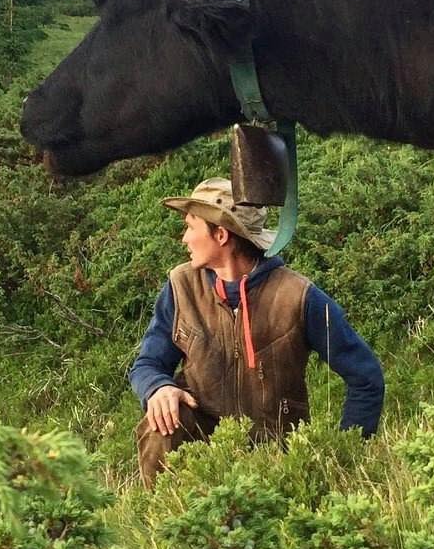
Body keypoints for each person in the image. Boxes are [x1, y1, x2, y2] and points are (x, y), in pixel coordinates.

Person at [130, 177, 383, 486]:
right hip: (202, 451)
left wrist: (347, 456)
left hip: (278, 455)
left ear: (221, 234)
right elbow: (147, 364)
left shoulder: (297, 295)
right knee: (162, 422)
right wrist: (158, 388)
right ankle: (166, 512)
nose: (184, 239)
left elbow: (366, 377)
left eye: (191, 227)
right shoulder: (181, 286)